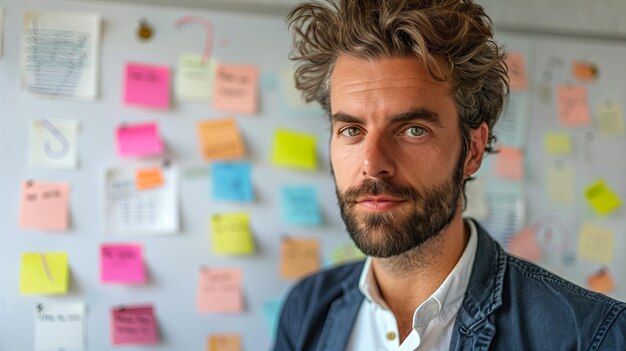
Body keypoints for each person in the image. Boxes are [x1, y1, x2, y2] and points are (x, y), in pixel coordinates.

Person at [273, 0, 626, 350]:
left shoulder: (589, 337)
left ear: (472, 150)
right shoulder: (306, 310)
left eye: (413, 129)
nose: (372, 163)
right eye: (351, 129)